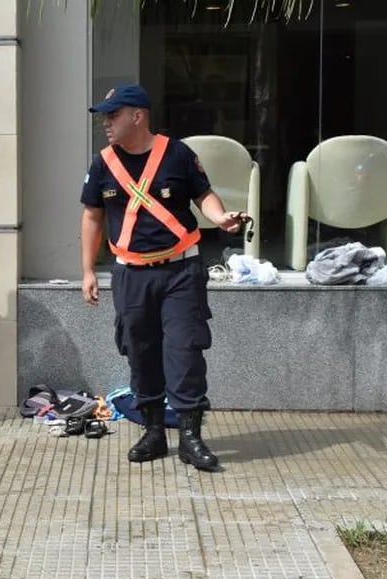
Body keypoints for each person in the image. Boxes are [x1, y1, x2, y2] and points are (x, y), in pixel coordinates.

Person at [80, 84, 245, 472]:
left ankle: (190, 437)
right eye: (104, 116)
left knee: (185, 351)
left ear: (138, 116)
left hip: (181, 271)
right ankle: (153, 431)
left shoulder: (177, 154)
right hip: (131, 274)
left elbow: (203, 194)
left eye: (113, 115)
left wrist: (220, 218)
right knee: (141, 350)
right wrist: (87, 270)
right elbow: (92, 216)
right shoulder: (102, 163)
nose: (106, 123)